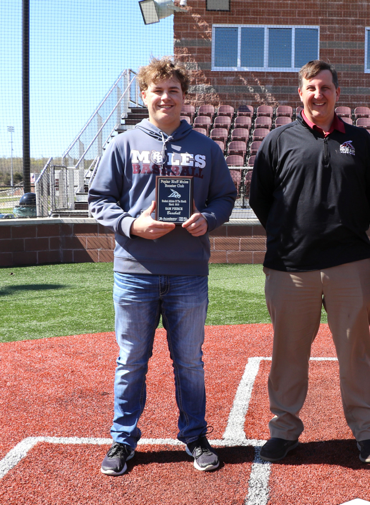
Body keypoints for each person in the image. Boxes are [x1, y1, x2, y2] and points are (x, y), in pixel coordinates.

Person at [88, 57, 236, 476]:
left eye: (173, 90)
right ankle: (122, 440)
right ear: (145, 95)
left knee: (189, 361)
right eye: (158, 90)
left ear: (184, 97)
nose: (165, 97)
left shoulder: (206, 148)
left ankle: (194, 436)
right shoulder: (123, 144)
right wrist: (133, 224)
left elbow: (225, 198)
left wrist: (208, 218)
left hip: (189, 273)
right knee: (131, 360)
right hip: (135, 272)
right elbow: (99, 201)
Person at [249, 60, 370, 464]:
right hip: (290, 267)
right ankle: (284, 430)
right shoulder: (278, 140)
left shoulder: (360, 141)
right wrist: (291, 235)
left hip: (350, 263)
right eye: (311, 87)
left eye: (326, 87)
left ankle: (366, 433)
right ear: (301, 93)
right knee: (288, 352)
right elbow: (261, 199)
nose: (318, 94)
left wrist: (341, 229)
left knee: (355, 352)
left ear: (337, 93)